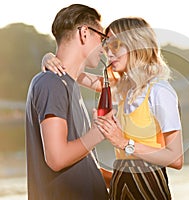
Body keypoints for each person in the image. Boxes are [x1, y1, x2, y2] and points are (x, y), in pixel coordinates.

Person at [43, 17, 184, 200]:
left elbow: (176, 159)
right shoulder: (122, 88)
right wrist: (49, 59)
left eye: (116, 46)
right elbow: (73, 73)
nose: (108, 54)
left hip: (149, 187)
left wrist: (125, 143)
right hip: (120, 184)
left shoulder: (160, 91)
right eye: (107, 47)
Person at [25, 4, 109, 200]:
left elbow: (84, 164)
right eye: (102, 38)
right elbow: (57, 158)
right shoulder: (51, 84)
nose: (104, 49)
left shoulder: (66, 84)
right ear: (84, 33)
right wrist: (98, 133)